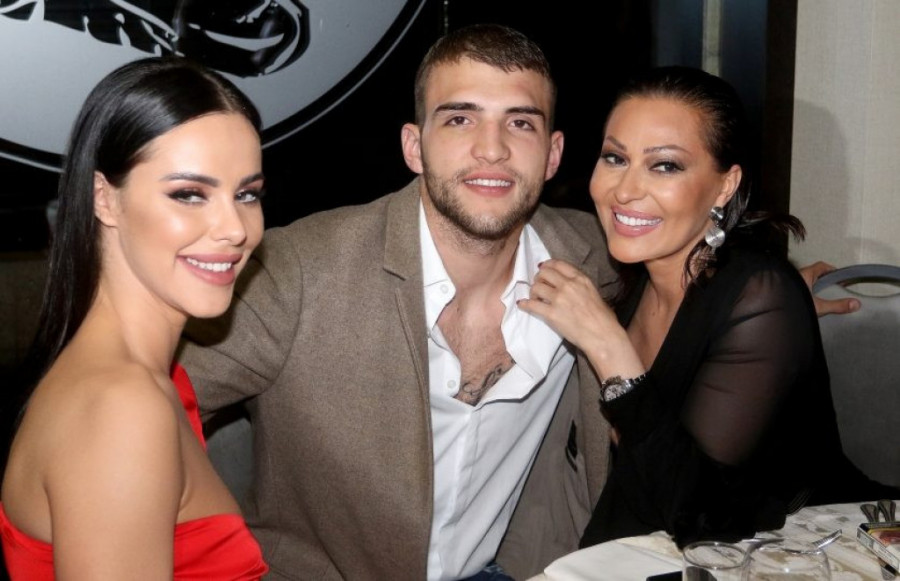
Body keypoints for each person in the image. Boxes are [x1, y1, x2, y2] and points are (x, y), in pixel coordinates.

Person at [180, 24, 614, 580]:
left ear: (553, 155)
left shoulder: (592, 258)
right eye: (460, 119)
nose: (492, 148)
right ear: (414, 147)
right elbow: (142, 412)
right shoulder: (298, 273)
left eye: (520, 123)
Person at [518, 65, 899, 550]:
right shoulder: (630, 277)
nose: (624, 190)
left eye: (665, 166)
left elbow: (700, 516)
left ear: (725, 185)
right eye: (615, 158)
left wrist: (609, 347)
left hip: (820, 551)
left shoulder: (756, 294)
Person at [0, 57, 269, 579]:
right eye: (189, 194)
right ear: (104, 198)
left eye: (247, 194)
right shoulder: (121, 409)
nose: (235, 228)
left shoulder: (151, 382)